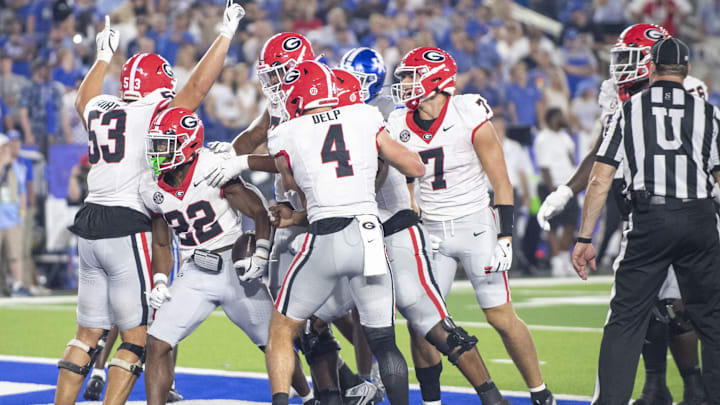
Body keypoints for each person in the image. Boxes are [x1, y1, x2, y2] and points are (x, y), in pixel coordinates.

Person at [55, 4, 246, 404]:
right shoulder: (157, 112)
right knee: (138, 338)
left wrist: (102, 56)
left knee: (87, 334)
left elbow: (82, 100)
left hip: (89, 221)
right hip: (128, 223)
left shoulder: (104, 108)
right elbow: (197, 90)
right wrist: (225, 33)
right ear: (160, 83)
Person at [537, 24, 707, 405]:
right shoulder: (615, 93)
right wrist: (567, 189)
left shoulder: (688, 89)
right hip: (640, 204)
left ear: (652, 59)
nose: (620, 66)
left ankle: (692, 387)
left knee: (675, 306)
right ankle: (657, 385)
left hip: (678, 204)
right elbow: (603, 151)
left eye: (631, 56)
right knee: (651, 307)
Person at [334, 64, 514, 405]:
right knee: (386, 327)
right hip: (371, 237)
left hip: (393, 231)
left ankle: (492, 398)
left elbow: (414, 168)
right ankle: (350, 388)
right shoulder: (354, 127)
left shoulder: (373, 125)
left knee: (418, 325)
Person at [388, 47, 556, 405]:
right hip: (430, 230)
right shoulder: (398, 122)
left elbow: (502, 180)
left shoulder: (468, 112)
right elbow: (397, 178)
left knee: (500, 316)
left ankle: (540, 393)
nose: (404, 83)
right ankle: (432, 401)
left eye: (410, 75)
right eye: (403, 76)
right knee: (422, 322)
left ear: (435, 80)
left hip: (476, 224)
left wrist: (506, 235)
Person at [205, 32, 365, 405]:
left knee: (328, 309)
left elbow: (284, 162)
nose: (273, 83)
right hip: (294, 213)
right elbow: (258, 132)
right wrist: (226, 154)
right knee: (305, 313)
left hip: (327, 210)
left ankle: (361, 379)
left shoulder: (325, 97)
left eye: (280, 74)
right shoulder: (284, 101)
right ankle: (343, 386)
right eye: (270, 75)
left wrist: (238, 162)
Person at [265, 60, 424, 405]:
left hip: (325, 234)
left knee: (281, 330)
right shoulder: (363, 116)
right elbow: (415, 165)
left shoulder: (286, 131)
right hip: (368, 232)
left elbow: (290, 184)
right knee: (384, 340)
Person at [139, 108, 274, 405]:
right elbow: (162, 244)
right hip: (195, 271)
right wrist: (161, 281)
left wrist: (261, 253)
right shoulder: (151, 187)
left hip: (234, 265)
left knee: (274, 344)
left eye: (164, 144)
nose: (157, 152)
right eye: (156, 144)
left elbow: (258, 212)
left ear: (186, 144)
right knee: (157, 342)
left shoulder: (211, 166)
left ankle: (308, 394)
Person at [534, 108, 578, 277]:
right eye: (559, 117)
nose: (562, 119)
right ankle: (556, 263)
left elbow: (572, 160)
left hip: (567, 186)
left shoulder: (566, 137)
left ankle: (565, 258)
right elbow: (544, 167)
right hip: (551, 186)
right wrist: (552, 191)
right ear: (551, 119)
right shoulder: (543, 138)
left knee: (570, 224)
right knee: (552, 226)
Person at [0, 133, 26, 297]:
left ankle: (17, 286)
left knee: (15, 255)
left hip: (12, 219)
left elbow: (22, 193)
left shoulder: (17, 168)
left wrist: (22, 214)